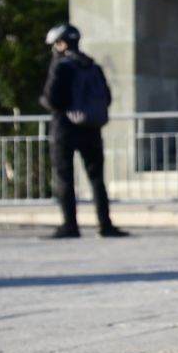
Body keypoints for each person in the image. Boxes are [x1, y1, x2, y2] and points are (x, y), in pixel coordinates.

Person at [39, 25, 127, 239]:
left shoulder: (62, 66)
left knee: (64, 178)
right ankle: (105, 224)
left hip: (65, 129)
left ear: (61, 44)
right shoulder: (92, 66)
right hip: (91, 128)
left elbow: (52, 98)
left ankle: (70, 225)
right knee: (97, 179)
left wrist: (46, 102)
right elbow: (106, 96)